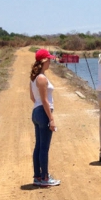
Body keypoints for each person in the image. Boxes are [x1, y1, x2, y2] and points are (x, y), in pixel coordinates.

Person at [30, 48, 61, 187]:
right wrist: (51, 118)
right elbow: (44, 100)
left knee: (38, 146)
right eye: (48, 59)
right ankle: (45, 177)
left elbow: (33, 97)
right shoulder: (42, 78)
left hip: (36, 112)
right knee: (44, 148)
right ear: (43, 61)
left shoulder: (34, 77)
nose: (50, 62)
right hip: (42, 112)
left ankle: (38, 176)